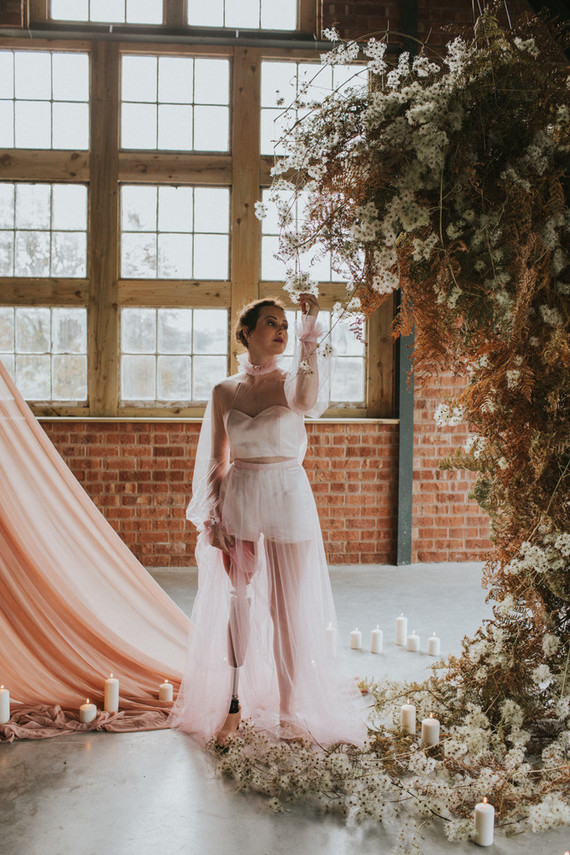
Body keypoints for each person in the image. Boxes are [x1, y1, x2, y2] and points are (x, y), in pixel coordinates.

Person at [170, 293, 367, 747]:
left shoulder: (293, 384)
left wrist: (309, 331)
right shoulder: (224, 391)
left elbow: (309, 399)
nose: (281, 331)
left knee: (286, 609)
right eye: (271, 323)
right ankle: (233, 706)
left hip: (287, 494)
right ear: (247, 333)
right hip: (240, 495)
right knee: (237, 602)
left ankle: (288, 709)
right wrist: (212, 518)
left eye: (284, 324)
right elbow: (216, 460)